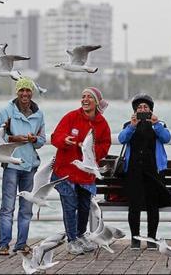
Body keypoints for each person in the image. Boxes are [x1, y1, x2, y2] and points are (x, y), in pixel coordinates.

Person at [50, 87, 111, 255]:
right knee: (69, 204)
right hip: (66, 170)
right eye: (83, 96)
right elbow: (55, 137)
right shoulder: (71, 117)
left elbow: (105, 146)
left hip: (85, 172)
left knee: (84, 206)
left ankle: (80, 235)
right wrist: (65, 140)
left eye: (89, 97)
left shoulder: (102, 124)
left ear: (97, 102)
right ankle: (71, 241)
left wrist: (89, 150)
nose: (85, 99)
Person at [0, 77, 46, 255]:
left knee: (26, 208)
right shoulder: (6, 111)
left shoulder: (39, 114)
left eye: (28, 90)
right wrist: (12, 138)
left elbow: (42, 141)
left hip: (30, 166)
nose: (25, 93)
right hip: (11, 165)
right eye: (21, 90)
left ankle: (21, 243)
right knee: (7, 207)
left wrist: (34, 139)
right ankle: (3, 244)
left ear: (32, 92)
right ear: (17, 92)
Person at [118, 93, 171, 250]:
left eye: (145, 107)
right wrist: (132, 126)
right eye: (139, 108)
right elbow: (122, 139)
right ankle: (135, 239)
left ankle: (151, 239)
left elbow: (167, 138)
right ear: (135, 111)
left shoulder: (159, 124)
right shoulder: (128, 125)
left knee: (152, 206)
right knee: (134, 206)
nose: (142, 110)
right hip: (134, 170)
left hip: (153, 170)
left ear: (151, 110)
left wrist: (156, 124)